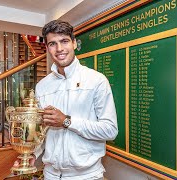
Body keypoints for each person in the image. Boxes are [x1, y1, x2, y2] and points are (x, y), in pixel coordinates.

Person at [14, 20, 118, 179]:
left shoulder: (96, 80)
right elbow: (42, 131)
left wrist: (66, 121)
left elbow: (110, 130)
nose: (59, 49)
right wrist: (32, 155)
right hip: (51, 175)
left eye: (64, 41)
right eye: (52, 44)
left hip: (87, 176)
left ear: (74, 43)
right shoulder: (42, 86)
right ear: (47, 48)